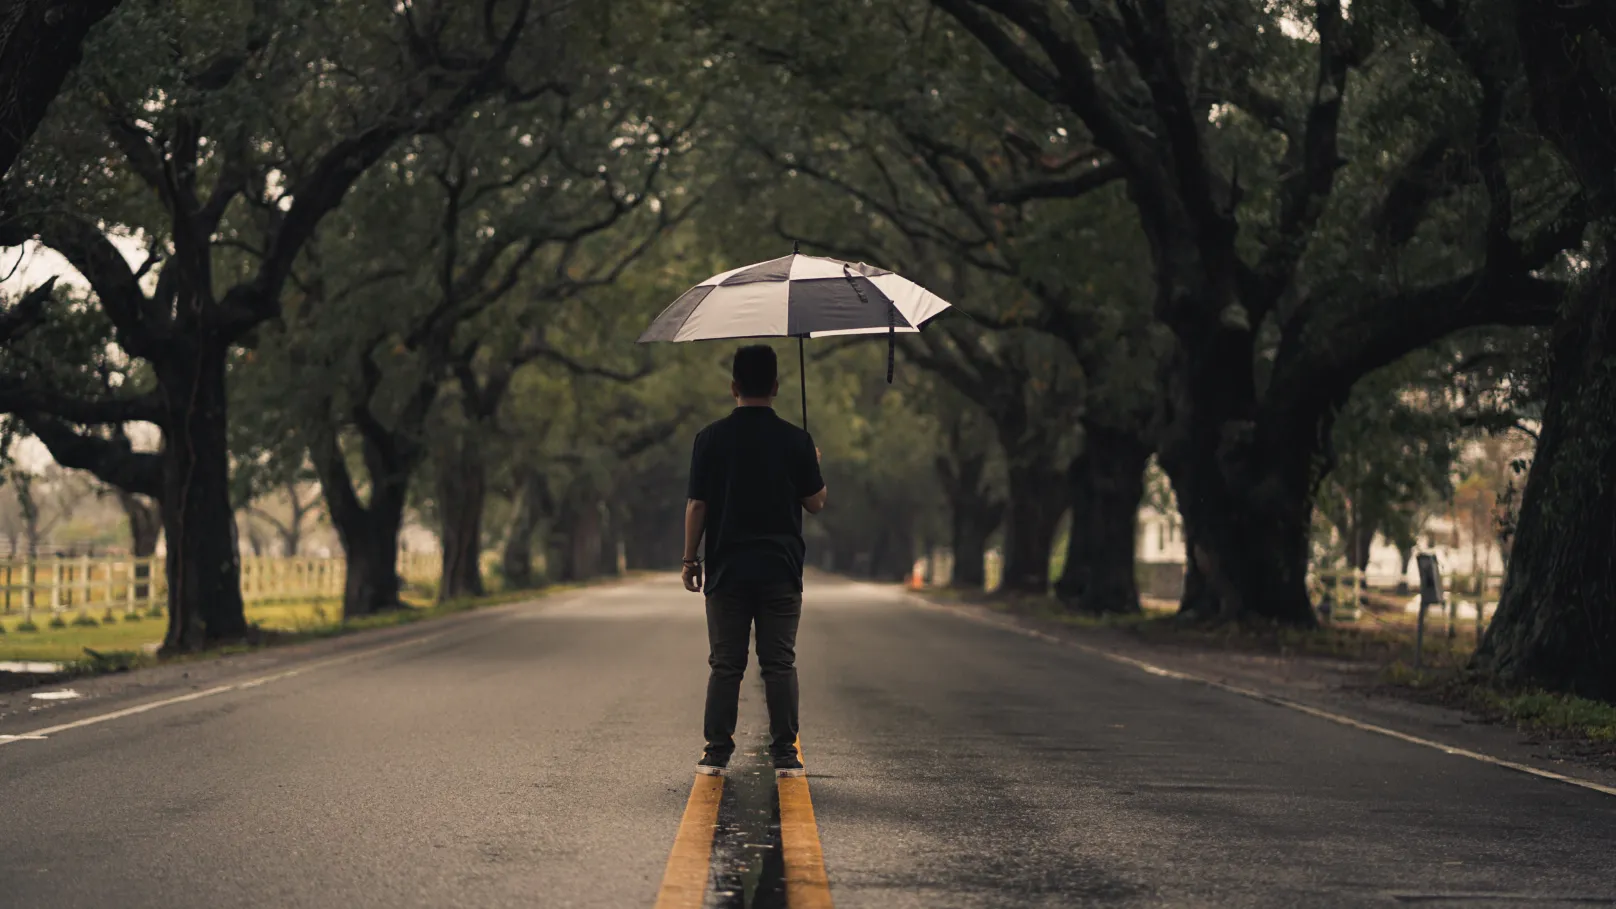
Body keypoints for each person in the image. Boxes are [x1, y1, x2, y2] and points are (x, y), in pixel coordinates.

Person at [682, 344, 828, 778]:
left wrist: (691, 559)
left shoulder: (709, 438)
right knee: (778, 662)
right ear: (777, 387)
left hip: (727, 569)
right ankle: (785, 753)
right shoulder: (797, 440)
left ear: (734, 387)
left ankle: (716, 753)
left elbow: (696, 505)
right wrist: (813, 464)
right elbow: (816, 504)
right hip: (780, 569)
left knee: (726, 663)